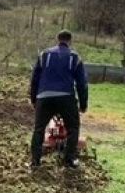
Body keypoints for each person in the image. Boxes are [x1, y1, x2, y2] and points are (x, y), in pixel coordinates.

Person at [28, 30, 88, 168]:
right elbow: (82, 83)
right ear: (70, 41)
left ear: (57, 39)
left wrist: (34, 99)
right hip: (66, 96)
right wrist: (83, 104)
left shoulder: (44, 55)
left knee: (39, 128)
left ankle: (35, 161)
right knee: (73, 127)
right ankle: (69, 159)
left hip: (44, 96)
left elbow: (35, 79)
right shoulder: (75, 57)